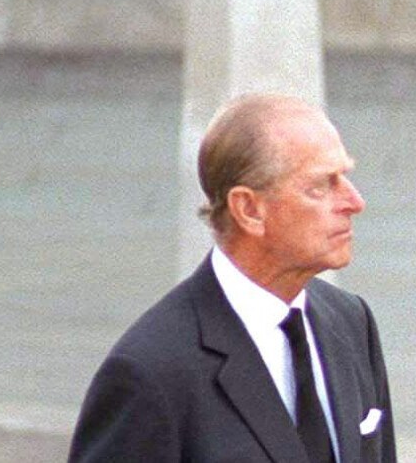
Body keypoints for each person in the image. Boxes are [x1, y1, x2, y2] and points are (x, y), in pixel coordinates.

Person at [68, 94, 396, 463]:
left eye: (345, 177)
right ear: (249, 209)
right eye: (321, 186)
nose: (354, 201)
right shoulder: (151, 373)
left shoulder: (350, 323)